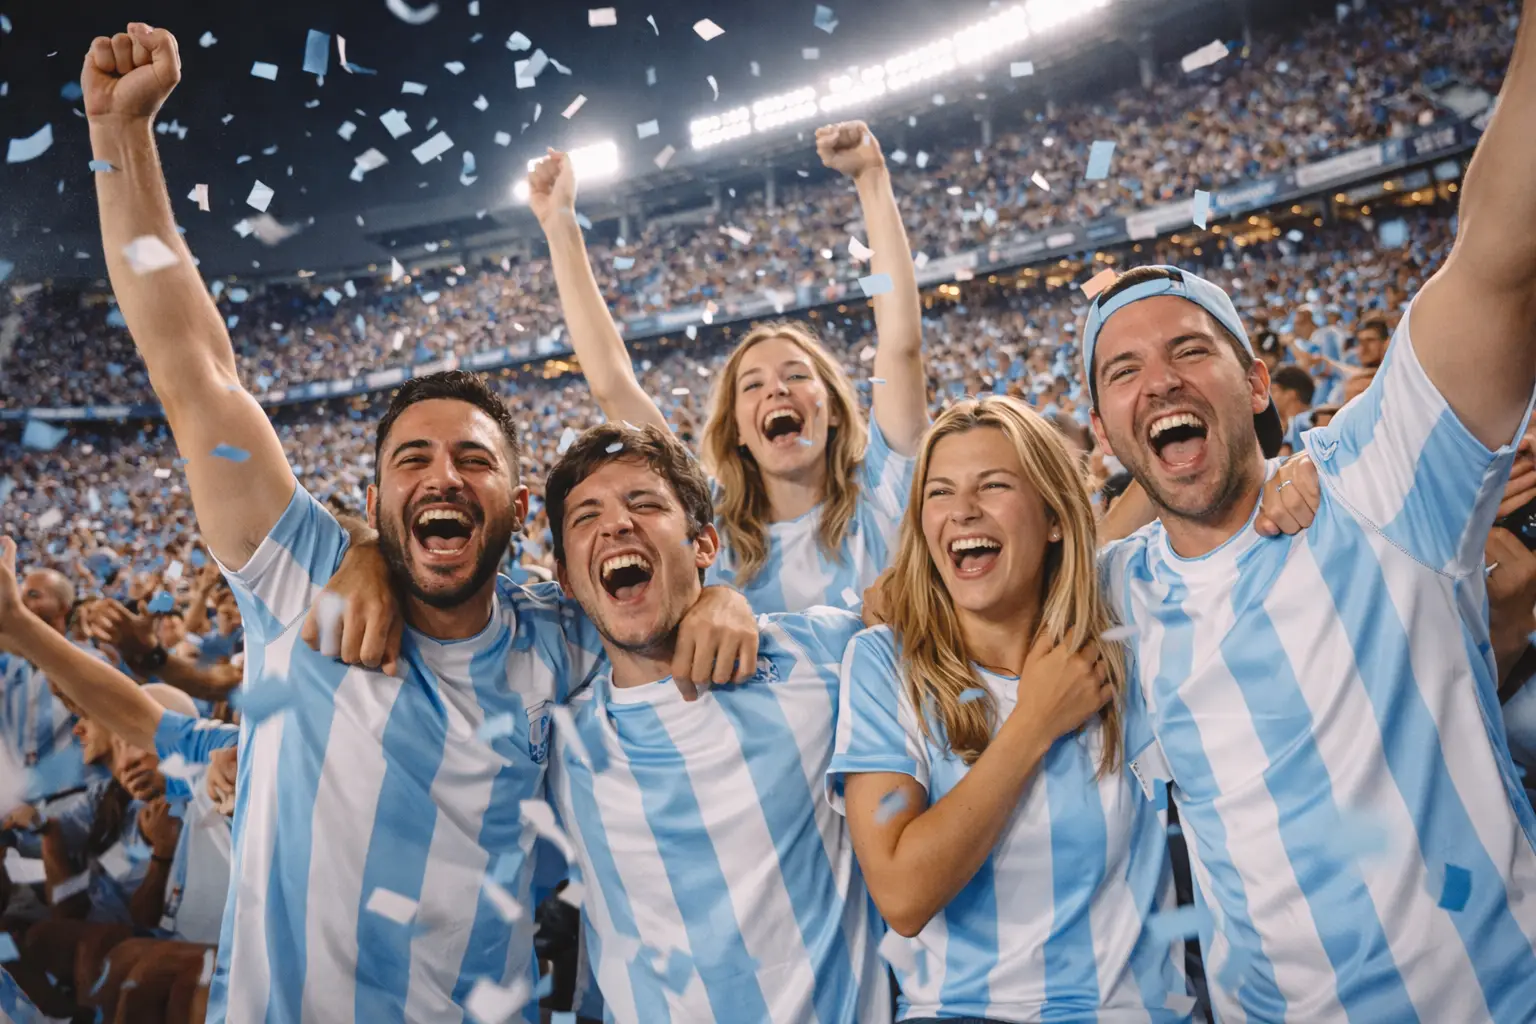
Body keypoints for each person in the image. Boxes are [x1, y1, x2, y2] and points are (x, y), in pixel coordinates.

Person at [84, 23, 756, 1023]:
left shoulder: (561, 634)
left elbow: (666, 552)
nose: (444, 475)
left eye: (475, 460)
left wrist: (726, 597)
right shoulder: (301, 575)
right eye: (413, 460)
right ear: (376, 498)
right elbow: (195, 368)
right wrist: (121, 133)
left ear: (519, 510)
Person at [1081, 10, 1536, 1010]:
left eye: (1188, 350)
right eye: (1123, 371)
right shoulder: (1109, 595)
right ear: (1105, 438)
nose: (1159, 381)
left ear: (1254, 385)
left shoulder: (1375, 476)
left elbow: (1505, 247)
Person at [832, 396, 1190, 1022]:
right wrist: (1033, 724)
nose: (962, 511)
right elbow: (903, 894)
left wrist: (1283, 481)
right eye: (939, 494)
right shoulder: (884, 662)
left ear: (1054, 516)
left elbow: (1193, 515)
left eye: (993, 485)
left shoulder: (1123, 621)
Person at [540, 423, 889, 1022]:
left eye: (644, 503)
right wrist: (365, 551)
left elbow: (924, 596)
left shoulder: (821, 657)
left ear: (704, 545)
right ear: (567, 581)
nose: (617, 524)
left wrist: (726, 597)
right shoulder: (555, 743)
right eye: (585, 516)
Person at [528, 121, 929, 614]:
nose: (777, 390)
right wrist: (561, 223)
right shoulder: (705, 524)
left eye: (798, 375)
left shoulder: (883, 489)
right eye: (752, 385)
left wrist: (871, 177)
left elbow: (900, 345)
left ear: (835, 410)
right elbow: (614, 386)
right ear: (737, 429)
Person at [0, 566, 102, 803]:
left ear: (64, 607)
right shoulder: (15, 665)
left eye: (34, 595)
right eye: (22, 593)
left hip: (72, 798)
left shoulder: (92, 663)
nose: (22, 602)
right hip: (17, 806)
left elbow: (102, 740)